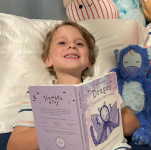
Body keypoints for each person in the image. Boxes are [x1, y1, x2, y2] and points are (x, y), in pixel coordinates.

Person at [7, 20, 140, 150]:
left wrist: (105, 120)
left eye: (79, 43)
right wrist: (55, 125)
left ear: (89, 61)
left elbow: (133, 124)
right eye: (62, 42)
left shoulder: (102, 86)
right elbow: (14, 145)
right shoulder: (36, 95)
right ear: (48, 59)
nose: (72, 46)